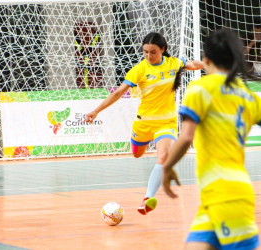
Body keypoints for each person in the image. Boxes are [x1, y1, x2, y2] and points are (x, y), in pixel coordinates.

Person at [162, 29, 261, 250]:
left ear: (206, 60)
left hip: (225, 195)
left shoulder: (199, 89)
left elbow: (185, 138)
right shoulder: (246, 94)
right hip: (218, 196)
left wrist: (167, 167)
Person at [85, 32, 203, 215]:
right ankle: (140, 145)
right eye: (146, 52)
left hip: (167, 123)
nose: (149, 56)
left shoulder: (174, 63)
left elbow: (192, 64)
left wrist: (210, 65)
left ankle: (147, 198)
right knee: (137, 154)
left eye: (153, 52)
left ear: (163, 50)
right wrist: (96, 111)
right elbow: (117, 93)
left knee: (163, 158)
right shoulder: (139, 70)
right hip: (143, 124)